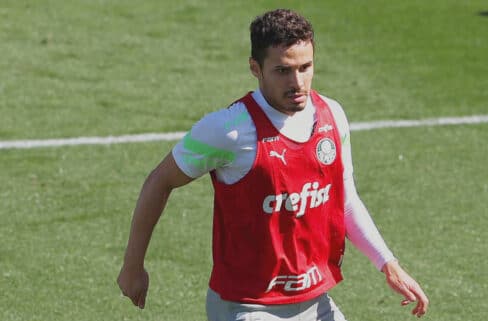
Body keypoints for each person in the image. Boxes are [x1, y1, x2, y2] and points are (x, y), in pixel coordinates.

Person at [117, 8, 429, 320]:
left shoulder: (332, 116)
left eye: (305, 67)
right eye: (283, 70)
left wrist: (388, 263)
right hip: (248, 306)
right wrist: (133, 266)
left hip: (315, 302)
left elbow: (344, 200)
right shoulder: (229, 129)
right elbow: (160, 180)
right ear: (256, 68)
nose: (298, 82)